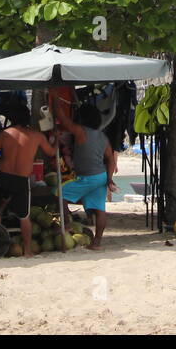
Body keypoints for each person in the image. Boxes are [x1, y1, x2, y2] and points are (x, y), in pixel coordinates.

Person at [0, 101, 56, 257]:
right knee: (24, 217)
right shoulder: (36, 136)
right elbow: (51, 153)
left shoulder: (5, 134)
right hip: (21, 179)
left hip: (4, 176)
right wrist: (55, 139)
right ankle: (28, 250)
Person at [58, 100, 116, 250]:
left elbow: (63, 119)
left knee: (61, 194)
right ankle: (96, 243)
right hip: (101, 176)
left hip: (88, 177)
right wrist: (109, 178)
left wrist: (55, 100)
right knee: (100, 209)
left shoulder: (80, 131)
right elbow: (110, 158)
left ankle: (67, 225)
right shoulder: (103, 137)